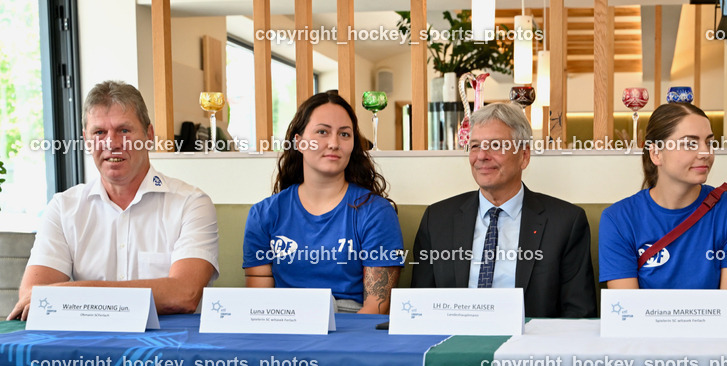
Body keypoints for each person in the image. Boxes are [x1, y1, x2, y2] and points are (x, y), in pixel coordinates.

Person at [8, 81, 218, 320]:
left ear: (148, 136)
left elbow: (183, 294)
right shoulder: (63, 207)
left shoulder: (191, 204)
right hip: (87, 348)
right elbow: (33, 298)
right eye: (99, 133)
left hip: (170, 350)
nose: (112, 143)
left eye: (124, 130)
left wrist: (74, 293)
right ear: (86, 140)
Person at [411, 102, 597, 318]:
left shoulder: (565, 222)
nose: (481, 156)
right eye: (475, 146)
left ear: (524, 156)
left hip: (528, 346)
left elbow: (579, 314)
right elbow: (419, 307)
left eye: (496, 146)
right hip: (454, 340)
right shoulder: (437, 219)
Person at [242, 90, 403, 314]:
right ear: (298, 143)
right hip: (284, 324)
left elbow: (376, 308)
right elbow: (260, 308)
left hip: (349, 327)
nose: (334, 143)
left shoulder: (376, 212)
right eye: (322, 132)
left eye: (345, 134)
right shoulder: (264, 214)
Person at [599, 103, 727, 319]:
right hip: (645, 346)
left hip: (713, 345)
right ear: (656, 153)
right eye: (690, 144)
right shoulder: (617, 219)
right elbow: (627, 313)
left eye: (709, 142)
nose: (705, 153)